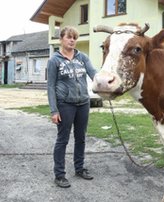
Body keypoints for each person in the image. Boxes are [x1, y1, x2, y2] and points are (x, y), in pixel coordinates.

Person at [47, 26, 97, 188]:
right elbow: (50, 86)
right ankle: (59, 175)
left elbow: (93, 74)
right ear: (61, 39)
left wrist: (106, 82)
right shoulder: (54, 60)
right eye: (69, 37)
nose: (72, 40)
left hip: (83, 103)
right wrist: (54, 110)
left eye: (74, 37)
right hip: (65, 105)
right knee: (63, 139)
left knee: (81, 137)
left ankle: (79, 168)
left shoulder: (82, 57)